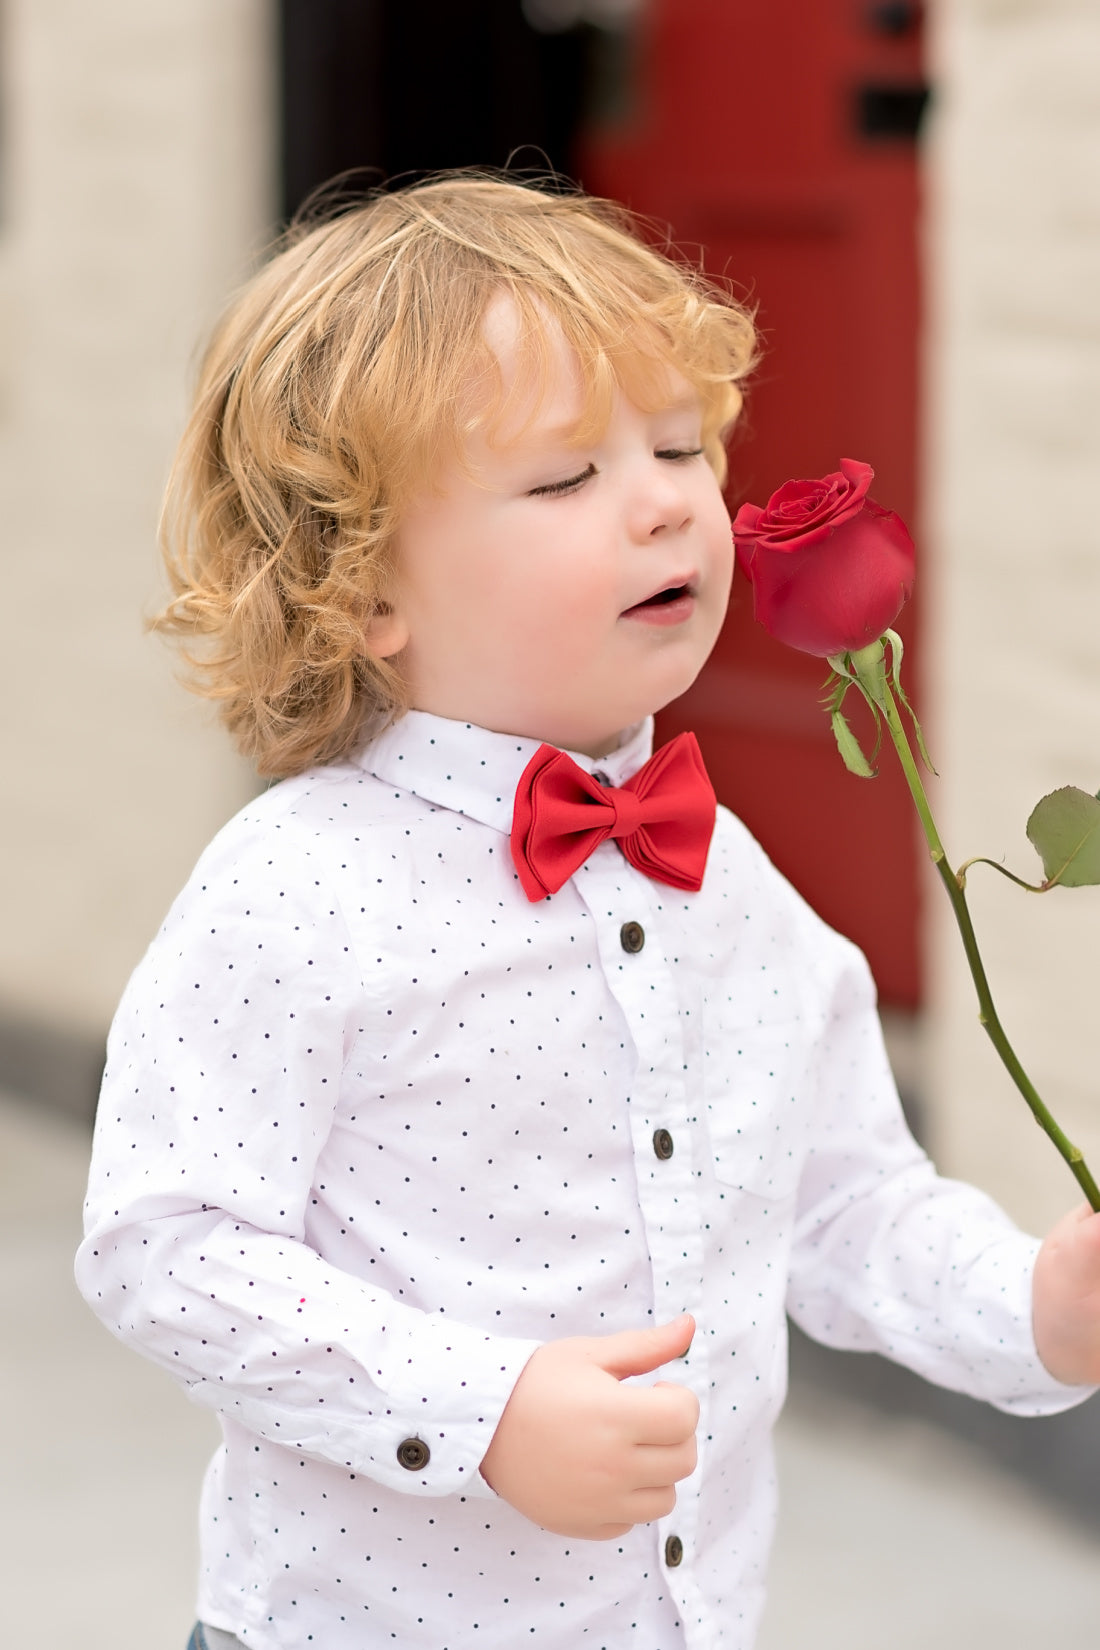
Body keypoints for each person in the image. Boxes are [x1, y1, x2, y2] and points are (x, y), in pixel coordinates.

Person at [76, 174, 1100, 1650]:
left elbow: (843, 1202)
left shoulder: (727, 879)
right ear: (361, 586)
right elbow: (166, 1243)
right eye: (566, 478)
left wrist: (1032, 1309)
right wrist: (479, 1409)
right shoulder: (294, 890)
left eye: (679, 447)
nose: (670, 497)